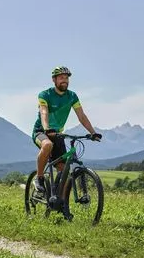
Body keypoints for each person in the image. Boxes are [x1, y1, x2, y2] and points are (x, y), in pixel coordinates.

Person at [32, 66, 102, 194]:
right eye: (61, 78)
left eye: (66, 78)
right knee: (47, 145)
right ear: (54, 80)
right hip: (41, 131)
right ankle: (39, 178)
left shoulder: (72, 96)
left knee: (64, 171)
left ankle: (62, 205)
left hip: (58, 134)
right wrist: (47, 128)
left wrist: (92, 132)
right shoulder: (45, 95)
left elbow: (81, 116)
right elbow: (44, 112)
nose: (64, 80)